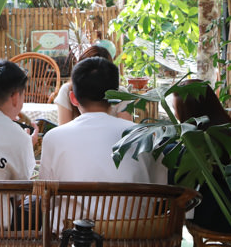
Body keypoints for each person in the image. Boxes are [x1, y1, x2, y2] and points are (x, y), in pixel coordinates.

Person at [41, 57, 165, 185]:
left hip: (70, 206)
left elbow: (44, 191)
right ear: (116, 97)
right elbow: (162, 189)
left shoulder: (54, 138)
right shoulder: (143, 135)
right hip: (135, 206)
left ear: (73, 98)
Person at [170, 79, 231, 234]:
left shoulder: (198, 143)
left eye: (175, 109)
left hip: (218, 217)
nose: (174, 114)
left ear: (188, 112)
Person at [54, 43, 131, 125]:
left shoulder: (121, 94)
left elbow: (127, 131)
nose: (93, 77)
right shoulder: (66, 90)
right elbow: (64, 127)